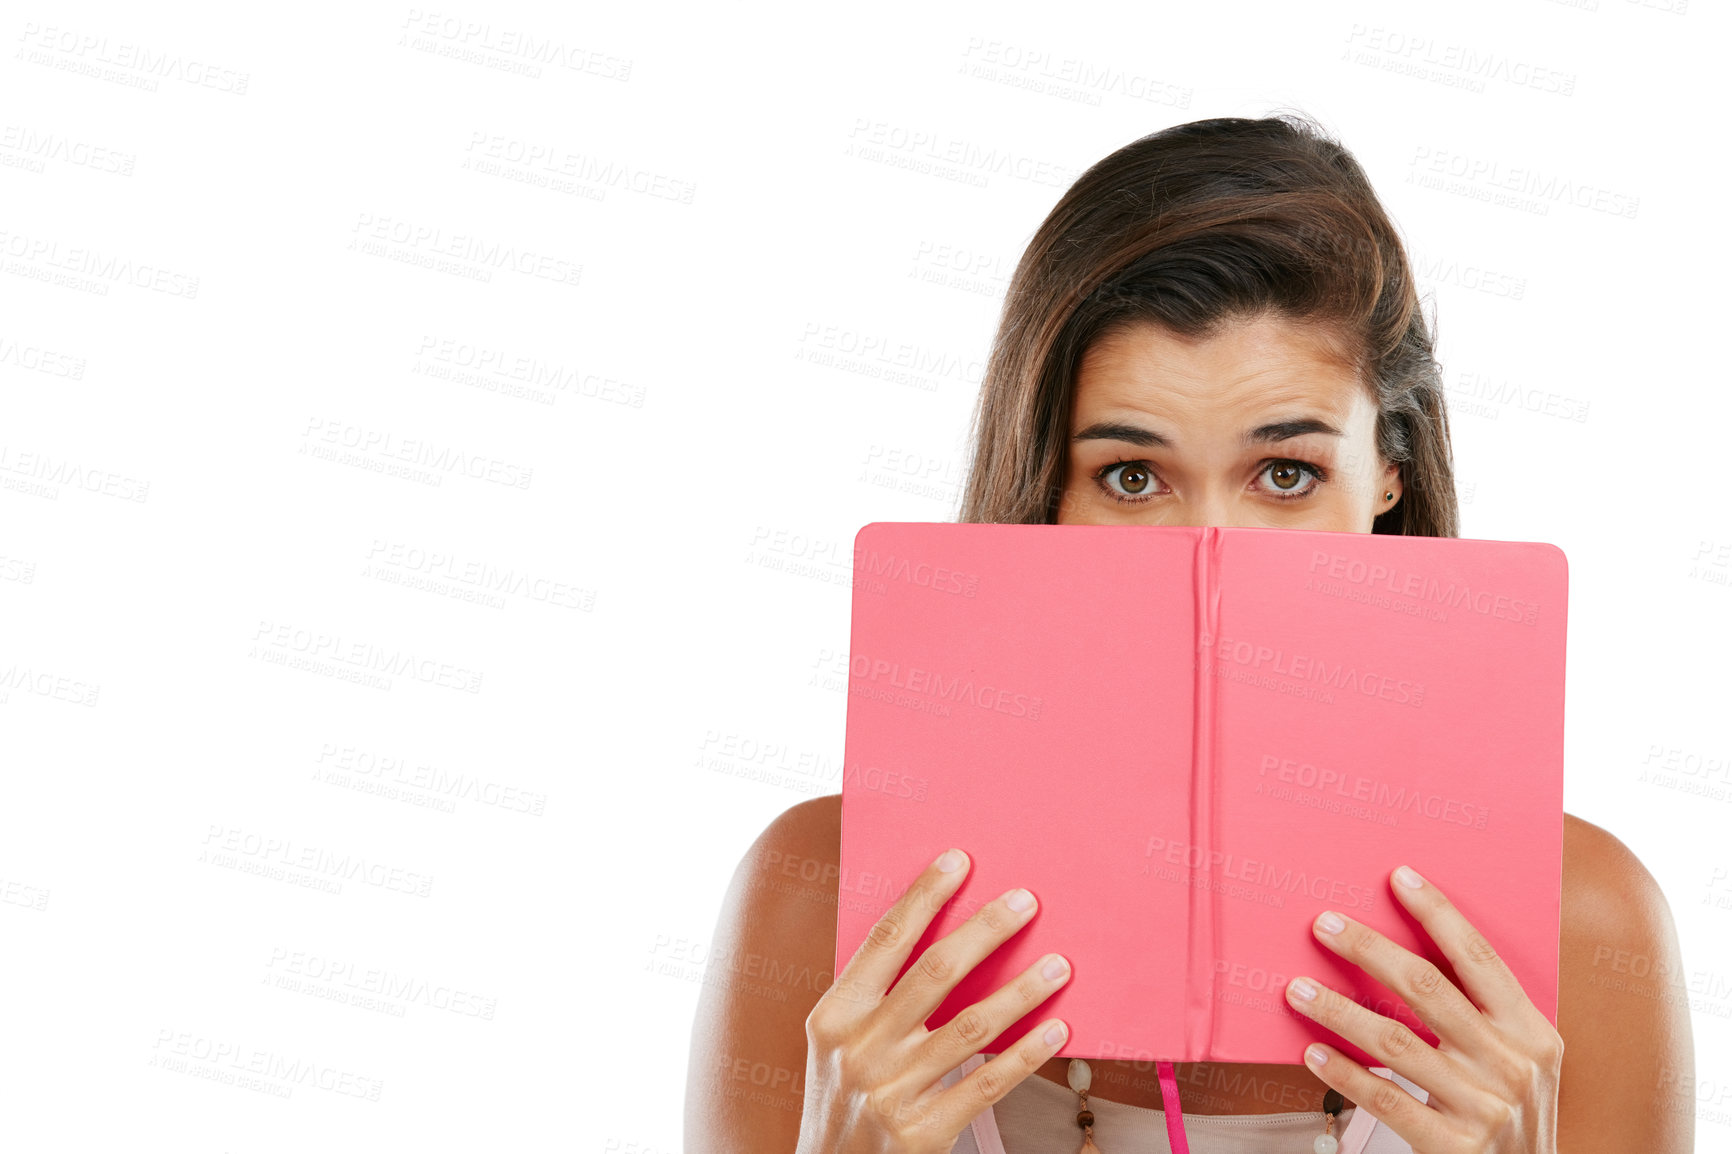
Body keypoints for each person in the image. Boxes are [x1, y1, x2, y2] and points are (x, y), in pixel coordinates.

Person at [684, 113, 1694, 1153]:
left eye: (1285, 472)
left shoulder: (1582, 926)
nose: (1209, 552)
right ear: (1046, 493)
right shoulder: (824, 901)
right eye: (1131, 475)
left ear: (1387, 472)